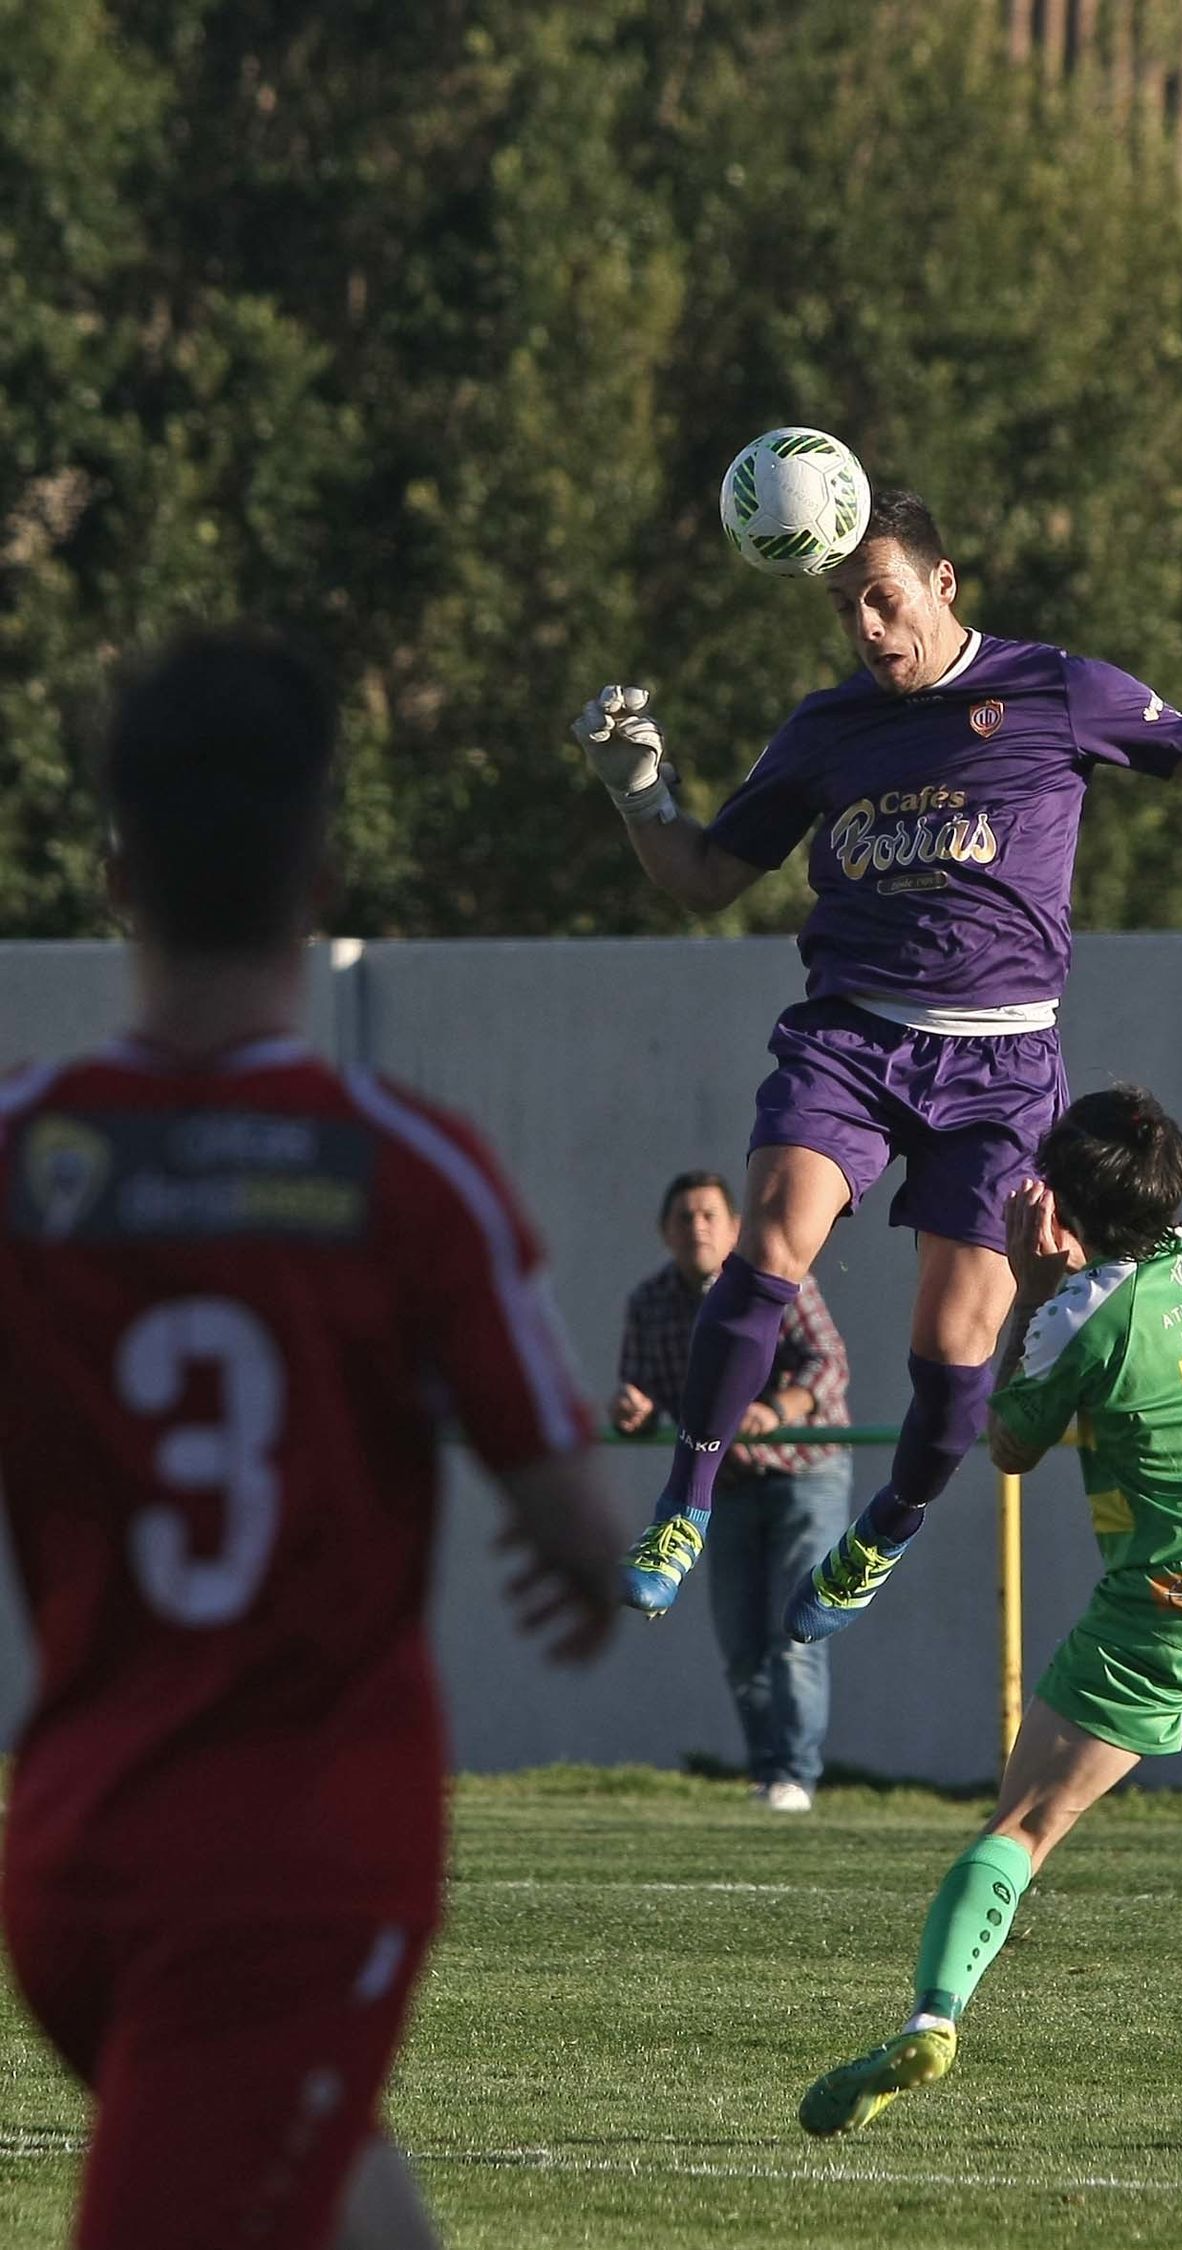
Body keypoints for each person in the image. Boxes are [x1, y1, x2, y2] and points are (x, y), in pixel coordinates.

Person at [572, 486, 1182, 1643]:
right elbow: (701, 877)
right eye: (846, 606)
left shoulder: (1055, 690)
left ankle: (888, 1526)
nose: (865, 626)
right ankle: (683, 1504)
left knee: (953, 1361)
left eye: (883, 598)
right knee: (768, 1241)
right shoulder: (824, 729)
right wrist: (636, 792)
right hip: (850, 1038)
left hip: (1001, 1067)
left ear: (943, 586)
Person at [0, 629, 622, 2250]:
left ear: (120, 872)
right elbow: (578, 1525)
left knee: (349, 2200)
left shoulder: (22, 1151)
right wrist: (576, 1560)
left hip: (70, 1857)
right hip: (289, 1872)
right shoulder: (406, 1172)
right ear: (323, 872)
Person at [797, 1085, 1182, 2155]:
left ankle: (931, 2020)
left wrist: (1030, 1292)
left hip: (1171, 1603)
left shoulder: (1079, 1320)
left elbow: (1010, 1442)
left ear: (1063, 1205)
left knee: (1022, 1828)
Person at [613, 1170, 851, 1812]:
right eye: (684, 1217)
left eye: (710, 1215)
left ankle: (796, 1776)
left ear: (736, 1227)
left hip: (804, 1468)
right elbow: (642, 1396)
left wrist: (777, 1408)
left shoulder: (778, 1280)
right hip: (719, 1487)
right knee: (741, 1641)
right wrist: (630, 1410)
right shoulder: (649, 1303)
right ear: (665, 1232)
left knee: (793, 1630)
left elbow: (828, 1361)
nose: (698, 1227)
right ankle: (768, 1772)